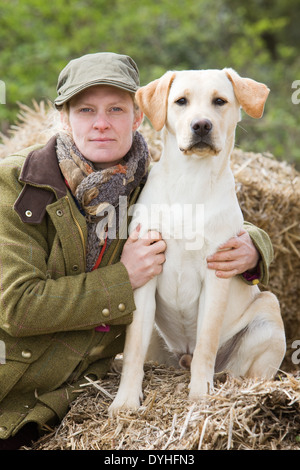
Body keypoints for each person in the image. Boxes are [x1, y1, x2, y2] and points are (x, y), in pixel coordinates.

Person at [0, 52, 273, 449]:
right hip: (15, 392)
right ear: (63, 117)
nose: (101, 123)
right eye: (85, 109)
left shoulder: (144, 178)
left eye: (116, 109)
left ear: (139, 117)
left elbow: (204, 214)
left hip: (75, 393)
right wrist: (122, 279)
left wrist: (254, 246)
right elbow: (16, 307)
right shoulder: (16, 183)